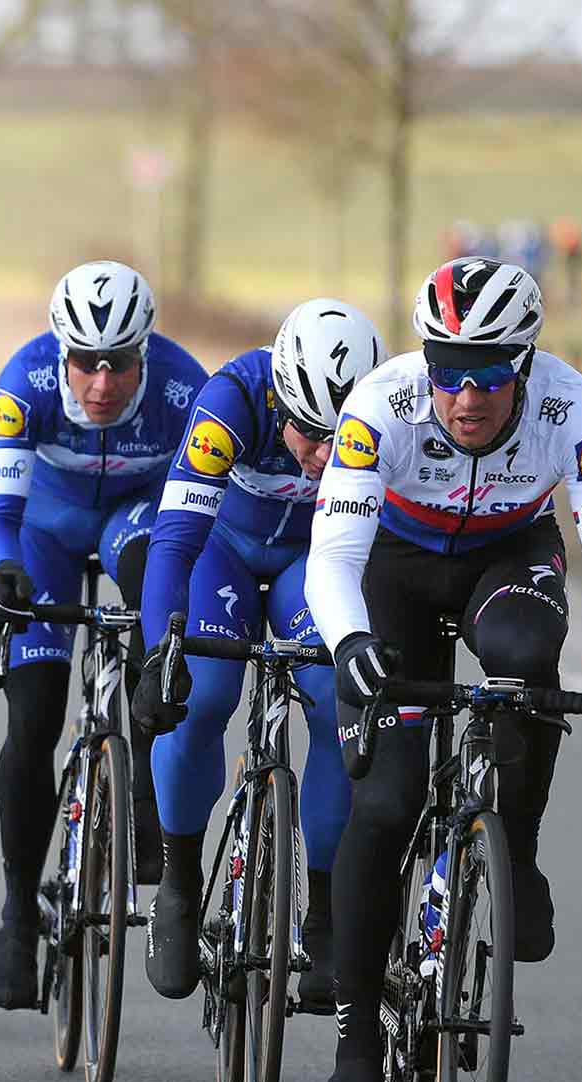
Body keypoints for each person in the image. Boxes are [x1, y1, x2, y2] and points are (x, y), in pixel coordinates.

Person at [302, 257, 582, 1082]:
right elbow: (332, 559)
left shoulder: (574, 411)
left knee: (523, 661)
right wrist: (350, 645)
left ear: (527, 364)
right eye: (449, 369)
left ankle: (518, 852)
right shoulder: (381, 404)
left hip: (509, 559)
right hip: (393, 565)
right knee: (383, 803)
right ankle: (354, 1045)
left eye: (491, 372)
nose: (467, 395)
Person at [0, 260, 208, 1010]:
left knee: (154, 595)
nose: (101, 385)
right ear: (60, 353)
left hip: (134, 522)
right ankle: (16, 916)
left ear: (145, 353)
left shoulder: (183, 389)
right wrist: (1, 571)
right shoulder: (25, 381)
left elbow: (195, 520)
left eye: (120, 365)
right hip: (44, 531)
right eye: (85, 365)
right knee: (33, 717)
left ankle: (141, 795)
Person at [131, 299, 381, 1004]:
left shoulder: (390, 409)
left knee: (336, 701)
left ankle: (324, 912)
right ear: (280, 399)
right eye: (308, 432)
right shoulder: (231, 400)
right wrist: (160, 650)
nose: (325, 455)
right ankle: (179, 885)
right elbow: (175, 537)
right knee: (203, 694)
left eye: (343, 437)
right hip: (224, 553)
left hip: (313, 562)